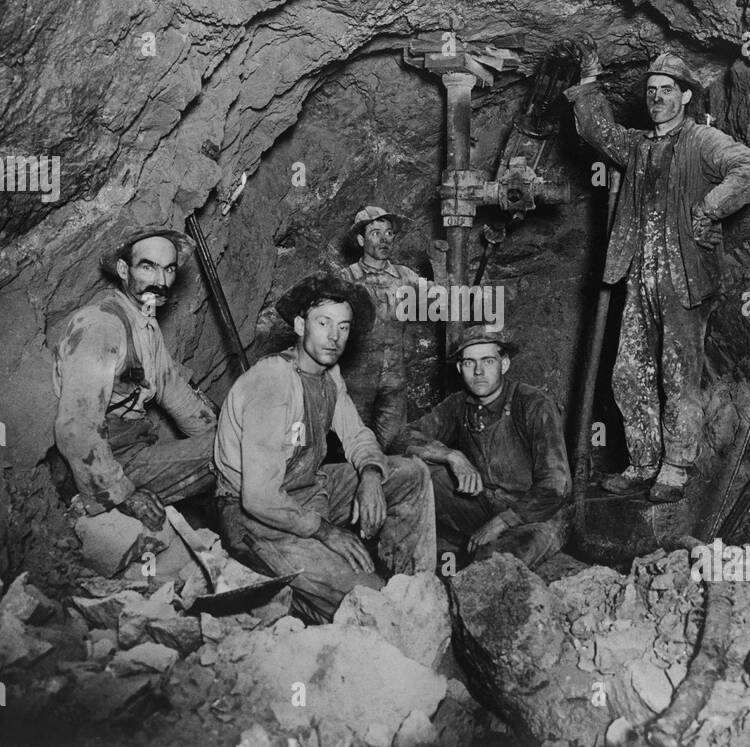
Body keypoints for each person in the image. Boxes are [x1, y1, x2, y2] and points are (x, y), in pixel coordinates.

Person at [563, 36, 750, 502]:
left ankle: (676, 466)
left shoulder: (702, 140)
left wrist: (711, 206)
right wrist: (591, 79)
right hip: (638, 277)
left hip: (683, 276)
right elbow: (598, 132)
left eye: (667, 90)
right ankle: (643, 462)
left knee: (679, 373)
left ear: (686, 96)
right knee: (629, 372)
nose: (657, 98)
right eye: (651, 90)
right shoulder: (637, 147)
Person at [214, 273, 437, 623]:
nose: (335, 337)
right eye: (324, 323)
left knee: (412, 473)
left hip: (308, 490)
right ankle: (292, 599)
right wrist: (325, 532)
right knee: (370, 601)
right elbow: (258, 497)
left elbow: (357, 434)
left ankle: (415, 587)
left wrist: (371, 474)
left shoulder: (328, 374)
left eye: (344, 327)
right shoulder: (273, 380)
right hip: (257, 517)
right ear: (302, 325)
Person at [53, 224, 218, 576]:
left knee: (236, 444)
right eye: (148, 267)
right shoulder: (101, 327)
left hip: (134, 449)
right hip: (107, 464)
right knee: (239, 452)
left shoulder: (143, 322)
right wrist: (124, 493)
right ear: (125, 270)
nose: (160, 279)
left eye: (169, 269)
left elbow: (174, 391)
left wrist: (225, 430)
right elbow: (77, 426)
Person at [391, 326, 570, 569]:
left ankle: (473, 553)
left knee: (493, 562)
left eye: (488, 361)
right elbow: (402, 438)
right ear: (459, 368)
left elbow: (556, 488)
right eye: (469, 363)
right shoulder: (458, 404)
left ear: (504, 364)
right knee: (414, 473)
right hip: (483, 502)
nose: (478, 371)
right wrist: (451, 456)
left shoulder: (534, 405)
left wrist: (499, 523)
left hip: (535, 514)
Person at [339, 206, 426, 449]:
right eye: (376, 233)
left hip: (395, 381)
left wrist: (439, 264)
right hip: (356, 382)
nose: (384, 239)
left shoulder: (406, 277)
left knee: (395, 446)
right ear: (360, 239)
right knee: (353, 448)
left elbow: (441, 298)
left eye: (389, 233)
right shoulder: (346, 280)